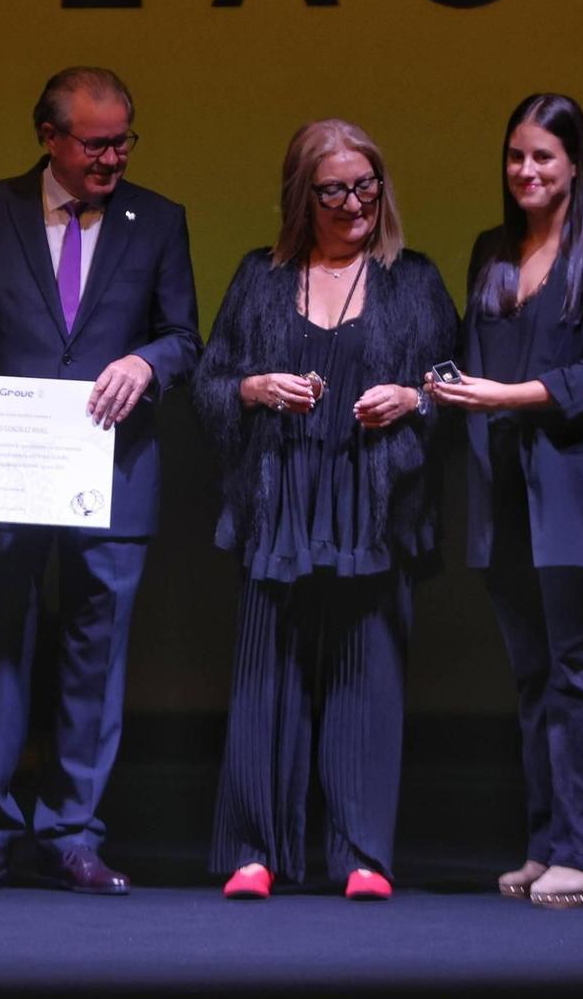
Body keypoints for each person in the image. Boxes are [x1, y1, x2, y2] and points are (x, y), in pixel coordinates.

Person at [0, 66, 201, 895]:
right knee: (1, 641)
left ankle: (74, 831)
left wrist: (147, 359)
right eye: (97, 142)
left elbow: (185, 335)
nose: (114, 157)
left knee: (96, 655)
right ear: (49, 136)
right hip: (11, 468)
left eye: (124, 140)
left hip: (117, 464)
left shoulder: (158, 218)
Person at [192, 120, 455, 903]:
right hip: (282, 502)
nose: (354, 203)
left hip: (372, 505)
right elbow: (210, 383)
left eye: (366, 185)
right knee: (265, 677)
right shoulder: (260, 277)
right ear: (301, 196)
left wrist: (412, 397)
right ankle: (253, 848)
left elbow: (451, 385)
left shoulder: (415, 279)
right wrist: (253, 387)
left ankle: (361, 852)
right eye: (334, 189)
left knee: (365, 678)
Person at [427, 93, 583, 910]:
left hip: (580, 486)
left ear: (577, 161)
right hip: (505, 485)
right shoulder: (493, 251)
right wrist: (440, 390)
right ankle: (545, 842)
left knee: (580, 665)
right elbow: (470, 357)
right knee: (532, 671)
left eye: (543, 158)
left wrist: (505, 396)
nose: (526, 171)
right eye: (516, 156)